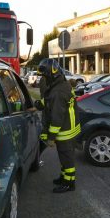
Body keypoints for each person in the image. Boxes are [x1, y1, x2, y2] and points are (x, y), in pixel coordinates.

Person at [36, 58, 80, 193]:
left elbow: (57, 118)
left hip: (65, 131)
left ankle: (69, 183)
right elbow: (52, 100)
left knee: (67, 159)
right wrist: (40, 104)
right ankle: (64, 177)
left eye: (44, 76)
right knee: (64, 156)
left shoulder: (58, 91)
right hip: (71, 127)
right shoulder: (62, 84)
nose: (42, 79)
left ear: (50, 74)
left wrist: (51, 137)